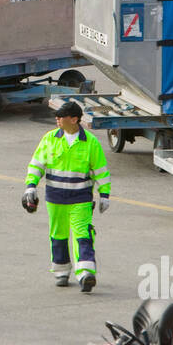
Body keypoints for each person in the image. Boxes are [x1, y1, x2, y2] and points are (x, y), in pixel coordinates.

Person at [22, 100, 112, 293]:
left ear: (74, 119)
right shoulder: (50, 139)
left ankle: (86, 273)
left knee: (83, 235)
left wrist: (105, 194)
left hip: (81, 199)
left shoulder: (90, 143)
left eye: (60, 117)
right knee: (58, 235)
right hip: (55, 198)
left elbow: (101, 171)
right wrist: (30, 187)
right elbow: (36, 165)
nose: (57, 119)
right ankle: (61, 270)